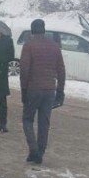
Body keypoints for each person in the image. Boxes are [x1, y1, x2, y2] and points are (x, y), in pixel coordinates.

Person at [18, 19, 65, 164]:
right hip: (50, 90)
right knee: (44, 123)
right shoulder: (54, 46)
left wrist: (23, 91)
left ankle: (33, 149)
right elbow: (61, 70)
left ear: (32, 31)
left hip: (33, 89)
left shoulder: (29, 45)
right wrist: (60, 91)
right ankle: (40, 152)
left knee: (27, 119)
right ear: (44, 30)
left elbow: (24, 70)